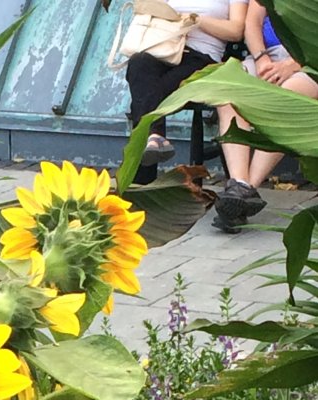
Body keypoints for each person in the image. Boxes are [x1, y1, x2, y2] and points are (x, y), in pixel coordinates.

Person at [214, 0, 318, 230]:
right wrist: (261, 59)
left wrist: (294, 64)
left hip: (310, 64)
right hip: (266, 56)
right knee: (228, 92)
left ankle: (242, 191)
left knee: (286, 101)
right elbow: (252, 21)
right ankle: (240, 185)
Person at [126, 1, 249, 183]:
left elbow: (236, 30)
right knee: (138, 63)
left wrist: (197, 20)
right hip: (164, 50)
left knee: (147, 96)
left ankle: (141, 181)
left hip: (203, 58)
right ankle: (155, 137)